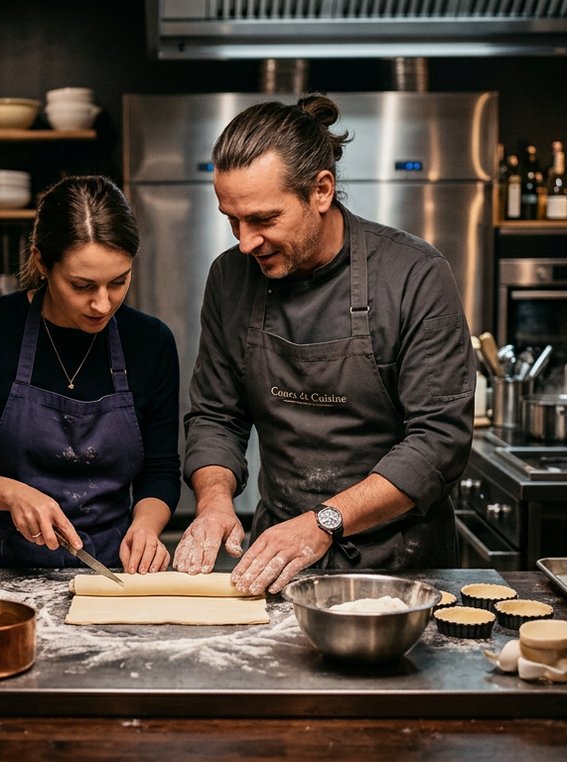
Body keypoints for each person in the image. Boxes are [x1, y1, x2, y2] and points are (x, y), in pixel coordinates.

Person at [175, 95, 474, 595]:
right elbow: (215, 416)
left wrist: (324, 522)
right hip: (280, 561)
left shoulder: (414, 274)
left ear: (321, 190)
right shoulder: (231, 277)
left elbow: (439, 443)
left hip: (403, 569)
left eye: (264, 219)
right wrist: (214, 503)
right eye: (233, 220)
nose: (246, 242)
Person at [0, 176, 180, 572]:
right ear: (41, 262)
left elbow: (160, 472)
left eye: (118, 281)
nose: (102, 304)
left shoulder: (150, 342)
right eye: (81, 285)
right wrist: (10, 493)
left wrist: (146, 526)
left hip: (109, 570)